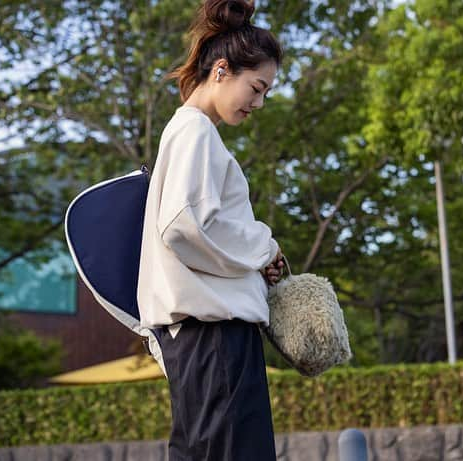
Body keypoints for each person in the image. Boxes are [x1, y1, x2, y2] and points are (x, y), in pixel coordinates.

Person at [136, 1, 284, 459]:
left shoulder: (187, 131)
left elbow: (190, 228)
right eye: (256, 88)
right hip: (215, 337)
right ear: (222, 70)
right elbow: (184, 225)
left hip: (204, 339)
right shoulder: (196, 131)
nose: (258, 103)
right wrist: (263, 248)